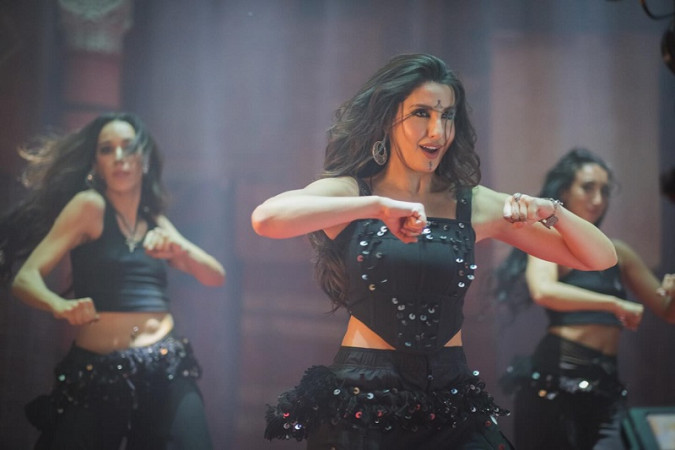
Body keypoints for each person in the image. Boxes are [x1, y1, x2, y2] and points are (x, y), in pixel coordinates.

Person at [250, 53, 618, 450]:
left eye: (448, 116)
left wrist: (553, 212)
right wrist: (376, 207)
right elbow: (267, 219)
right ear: (387, 120)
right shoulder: (353, 192)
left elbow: (600, 257)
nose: (438, 131)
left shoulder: (472, 203)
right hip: (365, 393)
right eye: (421, 113)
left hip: (451, 397)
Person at [0, 112, 225, 449]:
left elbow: (215, 276)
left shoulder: (154, 219)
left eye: (128, 147)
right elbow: (25, 279)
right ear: (96, 164)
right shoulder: (89, 206)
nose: (119, 156)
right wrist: (58, 304)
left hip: (165, 366)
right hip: (98, 371)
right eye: (107, 149)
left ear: (143, 160)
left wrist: (178, 248)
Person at [495, 148, 675, 450]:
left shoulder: (618, 253)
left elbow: (668, 312)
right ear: (565, 191)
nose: (598, 199)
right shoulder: (548, 241)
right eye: (588, 187)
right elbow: (543, 290)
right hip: (556, 382)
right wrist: (613, 304)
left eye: (604, 190)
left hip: (605, 386)